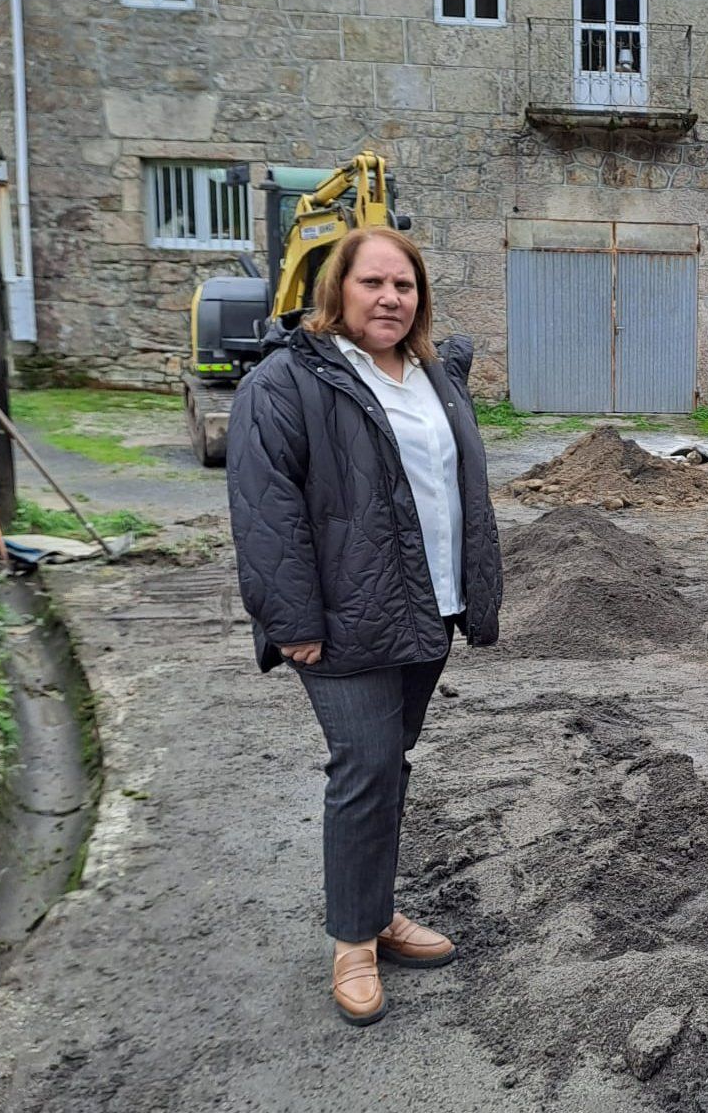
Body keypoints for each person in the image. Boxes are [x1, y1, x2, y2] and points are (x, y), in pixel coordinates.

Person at [226, 226, 503, 1026]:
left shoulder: (433, 376)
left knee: (389, 764)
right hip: (341, 620)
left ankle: (376, 911)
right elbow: (264, 509)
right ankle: (353, 939)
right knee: (365, 764)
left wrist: (475, 592)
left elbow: (462, 491)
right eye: (373, 283)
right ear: (336, 291)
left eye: (404, 286)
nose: (390, 298)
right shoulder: (289, 382)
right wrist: (291, 621)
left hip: (430, 605)